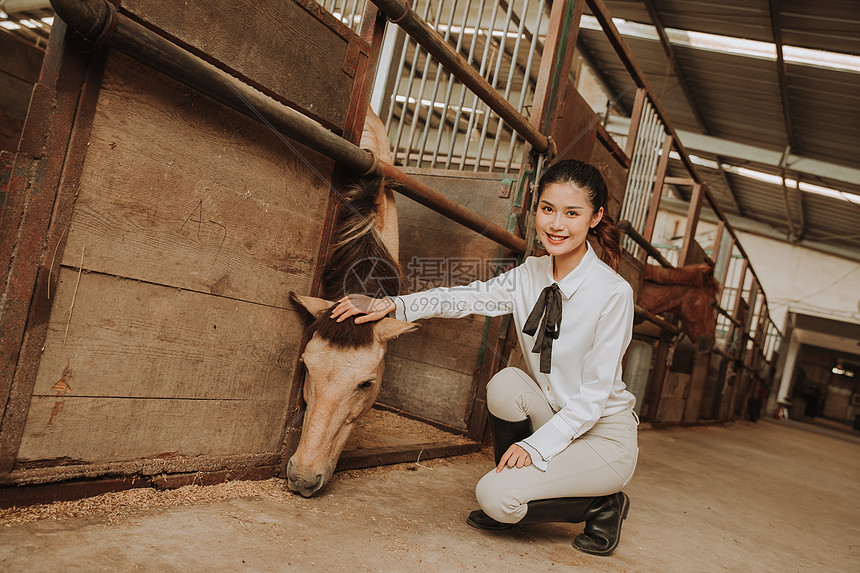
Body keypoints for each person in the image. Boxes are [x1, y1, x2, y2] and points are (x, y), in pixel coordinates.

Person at [330, 159, 638, 556]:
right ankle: (517, 477)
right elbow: (465, 297)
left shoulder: (613, 293)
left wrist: (534, 448)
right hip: (559, 415)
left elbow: (594, 398)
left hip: (602, 434)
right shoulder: (532, 272)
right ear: (536, 210)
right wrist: (391, 303)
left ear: (595, 218)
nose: (556, 225)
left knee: (496, 499)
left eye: (572, 213)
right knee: (506, 384)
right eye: (548, 209)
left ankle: (603, 503)